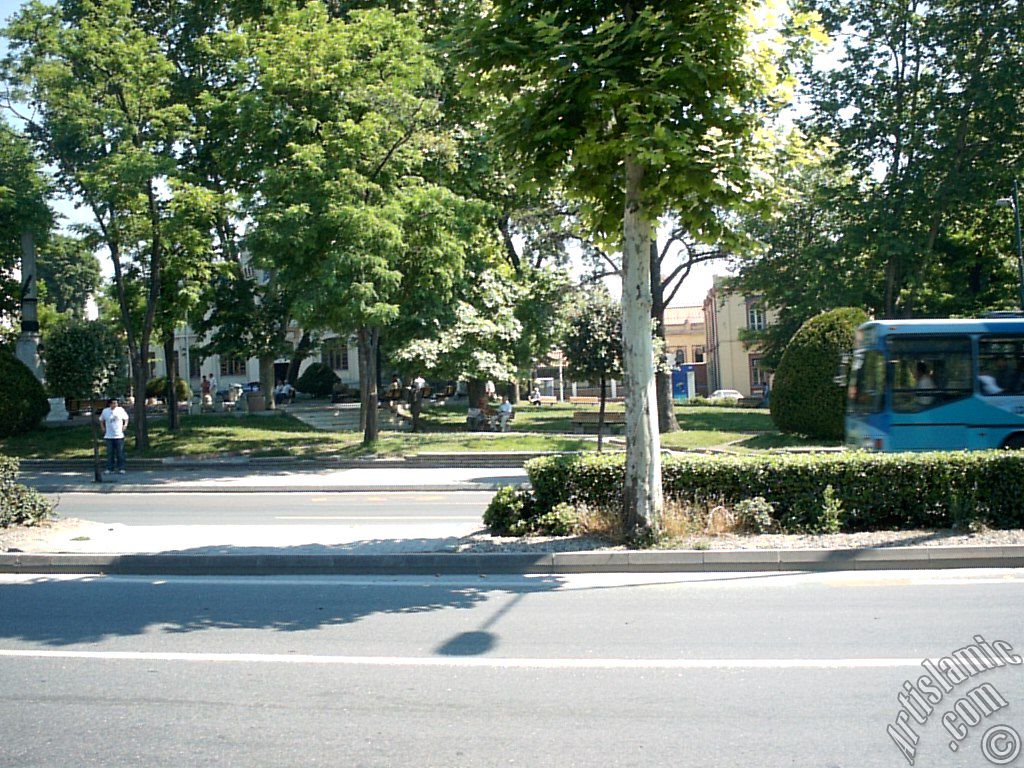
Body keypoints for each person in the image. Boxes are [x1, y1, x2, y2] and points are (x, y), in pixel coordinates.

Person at [100, 398, 129, 475]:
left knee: (120, 453)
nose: (115, 405)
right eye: (113, 403)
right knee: (110, 453)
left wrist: (125, 425)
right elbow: (101, 420)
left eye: (116, 403)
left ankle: (121, 468)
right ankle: (110, 468)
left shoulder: (120, 410)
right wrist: (103, 427)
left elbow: (126, 418)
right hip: (109, 436)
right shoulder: (105, 411)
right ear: (110, 404)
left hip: (119, 435)